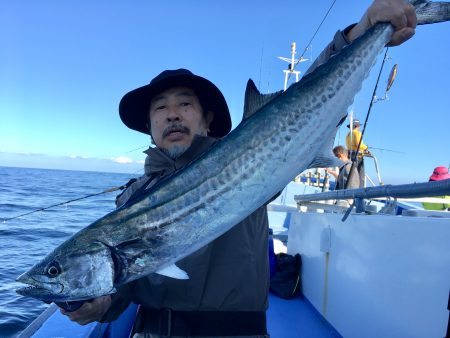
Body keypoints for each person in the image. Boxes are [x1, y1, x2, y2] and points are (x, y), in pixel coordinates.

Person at [60, 1, 417, 336]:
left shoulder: (249, 156)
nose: (172, 113)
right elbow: (124, 283)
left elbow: (307, 100)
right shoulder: (132, 197)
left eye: (185, 103)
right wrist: (101, 303)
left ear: (206, 119)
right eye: (160, 108)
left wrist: (361, 32)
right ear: (150, 125)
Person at [345, 119, 372, 188]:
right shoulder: (357, 133)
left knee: (352, 174)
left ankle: (349, 188)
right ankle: (359, 192)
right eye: (358, 126)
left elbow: (353, 145)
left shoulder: (348, 135)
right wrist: (366, 147)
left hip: (349, 155)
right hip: (357, 156)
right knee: (360, 175)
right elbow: (359, 144)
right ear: (357, 126)